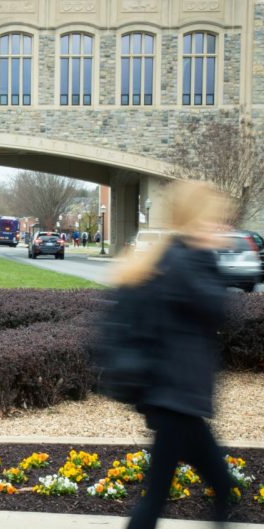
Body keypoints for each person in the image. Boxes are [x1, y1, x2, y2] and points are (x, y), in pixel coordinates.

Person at [108, 181, 232, 529]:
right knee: (175, 495)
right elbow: (216, 307)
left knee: (201, 489)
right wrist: (209, 251)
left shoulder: (172, 258)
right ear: (197, 219)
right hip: (177, 401)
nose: (221, 226)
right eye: (215, 219)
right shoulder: (186, 264)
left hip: (173, 400)